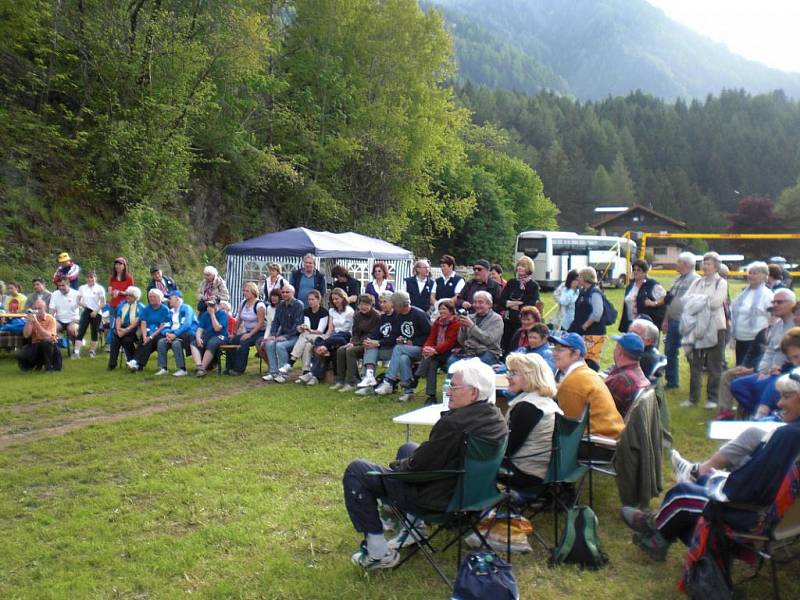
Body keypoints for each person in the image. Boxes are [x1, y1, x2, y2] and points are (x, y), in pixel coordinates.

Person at [342, 358, 508, 570]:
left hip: (440, 500)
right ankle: (415, 530)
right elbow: (427, 457)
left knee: (357, 470)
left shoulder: (454, 424)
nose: (448, 390)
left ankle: (377, 554)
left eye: (453, 386)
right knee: (409, 447)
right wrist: (408, 460)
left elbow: (417, 467)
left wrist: (396, 467)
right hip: (474, 492)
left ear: (473, 392)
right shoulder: (496, 417)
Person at [621, 368, 800, 561]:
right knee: (704, 478)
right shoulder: (791, 433)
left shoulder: (789, 436)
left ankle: (653, 528)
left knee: (682, 494)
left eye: (786, 397)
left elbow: (747, 487)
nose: (779, 403)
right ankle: (657, 536)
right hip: (786, 517)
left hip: (756, 516)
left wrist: (721, 483)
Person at [719, 294, 799, 419]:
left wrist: (770, 370)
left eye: (779, 302)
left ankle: (760, 416)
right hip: (769, 370)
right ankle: (752, 413)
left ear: (791, 304)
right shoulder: (772, 329)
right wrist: (761, 370)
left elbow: (788, 360)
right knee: (738, 384)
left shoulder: (792, 332)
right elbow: (764, 353)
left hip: (784, 375)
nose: (775, 306)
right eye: (773, 304)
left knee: (772, 384)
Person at [503, 353, 562, 494]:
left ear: (530, 376)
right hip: (544, 472)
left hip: (525, 475)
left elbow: (506, 449)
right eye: (509, 372)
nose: (508, 377)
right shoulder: (546, 401)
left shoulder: (527, 407)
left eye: (514, 373)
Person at [550, 331, 624, 444]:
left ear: (575, 354)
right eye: (554, 348)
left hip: (600, 444)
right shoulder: (585, 372)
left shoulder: (573, 382)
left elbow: (566, 430)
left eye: (560, 350)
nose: (554, 353)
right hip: (611, 437)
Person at [681, 252, 729, 409]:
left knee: (715, 364)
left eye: (708, 264)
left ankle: (712, 398)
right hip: (696, 327)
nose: (705, 266)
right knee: (695, 363)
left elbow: (716, 303)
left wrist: (697, 302)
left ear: (716, 266)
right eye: (704, 263)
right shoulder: (697, 282)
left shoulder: (721, 282)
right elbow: (685, 301)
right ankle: (693, 398)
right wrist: (702, 301)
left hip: (716, 328)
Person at [372, 291, 432, 401]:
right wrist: (400, 338)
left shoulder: (419, 314)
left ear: (400, 305)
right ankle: (408, 392)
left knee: (398, 349)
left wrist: (414, 342)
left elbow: (430, 335)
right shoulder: (399, 316)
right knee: (403, 359)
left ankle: (388, 381)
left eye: (394, 305)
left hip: (422, 349)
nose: (393, 307)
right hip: (408, 349)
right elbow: (397, 333)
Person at [300, 288, 355, 386]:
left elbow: (352, 330)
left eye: (337, 299)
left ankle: (313, 373)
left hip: (345, 336)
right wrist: (326, 336)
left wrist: (326, 341)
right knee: (319, 339)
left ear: (343, 298)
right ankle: (315, 376)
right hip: (333, 336)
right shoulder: (332, 311)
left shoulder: (350, 312)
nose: (335, 301)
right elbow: (330, 329)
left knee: (328, 342)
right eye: (333, 299)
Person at [662, 252, 700, 389]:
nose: (676, 264)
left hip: (687, 323)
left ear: (685, 264)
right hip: (673, 321)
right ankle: (672, 382)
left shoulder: (696, 281)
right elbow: (669, 301)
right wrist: (666, 320)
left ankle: (695, 385)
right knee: (670, 351)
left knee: (691, 354)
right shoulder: (677, 280)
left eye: (678, 262)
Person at [414, 299, 461, 404]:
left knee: (432, 358)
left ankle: (417, 375)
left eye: (444, 309)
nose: (441, 311)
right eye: (440, 309)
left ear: (451, 311)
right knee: (432, 363)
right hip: (437, 351)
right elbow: (431, 337)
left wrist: (434, 350)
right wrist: (426, 349)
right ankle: (431, 395)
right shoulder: (438, 322)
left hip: (451, 352)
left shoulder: (456, 323)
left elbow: (450, 342)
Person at [334, 294, 381, 392]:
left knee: (350, 351)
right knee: (341, 350)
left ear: (371, 304)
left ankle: (352, 382)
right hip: (358, 342)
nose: (363, 307)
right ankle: (340, 380)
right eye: (361, 304)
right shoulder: (357, 315)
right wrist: (352, 342)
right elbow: (355, 332)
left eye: (366, 304)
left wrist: (355, 344)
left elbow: (373, 334)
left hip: (370, 344)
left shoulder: (376, 316)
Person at [729, 261, 773, 367]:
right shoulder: (743, 293)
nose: (751, 275)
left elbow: (772, 318)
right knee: (740, 367)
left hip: (756, 340)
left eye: (755, 273)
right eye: (750, 273)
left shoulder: (768, 295)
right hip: (740, 338)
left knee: (751, 368)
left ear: (764, 276)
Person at [355, 293, 397, 395]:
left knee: (372, 347)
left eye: (384, 302)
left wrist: (378, 343)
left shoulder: (397, 316)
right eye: (380, 302)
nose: (382, 304)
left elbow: (394, 338)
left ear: (392, 303)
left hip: (394, 349)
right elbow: (375, 333)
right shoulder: (383, 317)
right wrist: (369, 340)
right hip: (383, 347)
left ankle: (370, 380)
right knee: (369, 347)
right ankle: (369, 380)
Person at [261, 284, 305, 383]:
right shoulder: (280, 305)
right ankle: (273, 372)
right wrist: (272, 334)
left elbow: (297, 325)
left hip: (296, 336)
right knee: (269, 344)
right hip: (282, 335)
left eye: (287, 292)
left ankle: (283, 374)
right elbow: (275, 322)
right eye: (283, 292)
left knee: (280, 346)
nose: (285, 294)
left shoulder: (298, 305)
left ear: (293, 293)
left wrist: (285, 336)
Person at [448, 290, 503, 368]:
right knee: (451, 361)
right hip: (469, 352)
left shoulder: (496, 319)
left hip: (488, 351)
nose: (477, 305)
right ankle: (451, 380)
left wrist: (471, 326)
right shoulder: (470, 317)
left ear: (489, 304)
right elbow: (461, 341)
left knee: (472, 367)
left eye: (480, 302)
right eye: (475, 302)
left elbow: (488, 339)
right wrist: (463, 328)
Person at [568, 266, 608, 371]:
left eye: (580, 277)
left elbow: (597, 313)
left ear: (585, 278)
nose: (578, 279)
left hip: (593, 333)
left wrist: (586, 324)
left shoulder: (594, 292)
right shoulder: (582, 292)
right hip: (581, 331)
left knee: (591, 361)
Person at [499, 256, 541, 354]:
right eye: (519, 266)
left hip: (521, 321)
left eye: (523, 266)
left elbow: (530, 303)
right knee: (505, 344)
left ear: (529, 268)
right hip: (507, 319)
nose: (520, 268)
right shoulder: (511, 282)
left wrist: (514, 305)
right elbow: (501, 300)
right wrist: (512, 303)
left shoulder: (533, 285)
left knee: (516, 345)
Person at [224, 282, 267, 375]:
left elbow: (261, 323)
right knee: (232, 341)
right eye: (244, 291)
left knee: (244, 342)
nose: (245, 293)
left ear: (253, 292)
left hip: (260, 332)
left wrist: (250, 334)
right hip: (248, 331)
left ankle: (239, 369)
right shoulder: (243, 303)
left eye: (247, 291)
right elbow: (239, 319)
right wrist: (234, 333)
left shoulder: (259, 306)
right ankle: (229, 367)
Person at [604, 333, 650, 418]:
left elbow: (601, 409)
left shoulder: (621, 380)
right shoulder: (639, 373)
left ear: (620, 351)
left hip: (608, 426)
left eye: (616, 346)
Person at [126, 288, 171, 371]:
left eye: (154, 296)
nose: (151, 298)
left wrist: (149, 337)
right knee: (142, 340)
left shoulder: (165, 310)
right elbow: (143, 323)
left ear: (160, 298)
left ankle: (136, 362)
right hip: (148, 331)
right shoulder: (146, 309)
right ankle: (137, 364)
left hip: (160, 333)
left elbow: (162, 326)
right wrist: (144, 336)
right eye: (150, 296)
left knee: (150, 341)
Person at [289, 289, 329, 381]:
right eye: (309, 299)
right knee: (307, 345)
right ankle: (306, 372)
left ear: (319, 300)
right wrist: (303, 327)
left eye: (312, 299)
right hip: (309, 337)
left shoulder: (324, 312)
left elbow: (320, 331)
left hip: (320, 337)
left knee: (305, 335)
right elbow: (307, 327)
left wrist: (309, 330)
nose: (310, 302)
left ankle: (291, 360)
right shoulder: (306, 311)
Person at [619, 259, 666, 333]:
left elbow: (665, 298)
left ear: (644, 272)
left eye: (638, 270)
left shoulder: (652, 284)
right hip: (631, 324)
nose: (635, 272)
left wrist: (654, 303)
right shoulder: (630, 286)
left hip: (647, 325)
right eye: (634, 270)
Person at [156, 290, 195, 377]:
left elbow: (186, 325)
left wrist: (175, 335)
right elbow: (165, 325)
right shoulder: (170, 311)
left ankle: (182, 369)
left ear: (177, 299)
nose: (168, 300)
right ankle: (163, 368)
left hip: (186, 335)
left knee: (176, 343)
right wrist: (167, 333)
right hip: (173, 335)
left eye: (170, 298)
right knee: (161, 342)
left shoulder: (186, 308)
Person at [17, 298, 59, 372]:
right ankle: (34, 365)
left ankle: (49, 367)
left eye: (40, 308)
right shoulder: (32, 318)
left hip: (50, 346)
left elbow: (50, 337)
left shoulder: (51, 319)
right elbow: (26, 335)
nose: (37, 310)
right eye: (35, 308)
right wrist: (28, 322)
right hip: (36, 345)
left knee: (46, 343)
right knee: (21, 354)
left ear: (45, 308)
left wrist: (36, 323)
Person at [107, 287, 144, 370]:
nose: (128, 297)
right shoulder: (122, 304)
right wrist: (118, 329)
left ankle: (132, 362)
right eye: (127, 295)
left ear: (136, 297)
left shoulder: (140, 307)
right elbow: (118, 317)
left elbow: (137, 321)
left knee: (126, 340)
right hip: (121, 327)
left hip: (134, 329)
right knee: (115, 339)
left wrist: (126, 330)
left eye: (130, 295)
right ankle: (112, 364)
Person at [191, 298, 229, 376]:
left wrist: (212, 314)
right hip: (208, 335)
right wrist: (198, 338)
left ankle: (202, 368)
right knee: (194, 343)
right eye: (209, 305)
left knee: (212, 343)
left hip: (221, 336)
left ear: (218, 305)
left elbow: (217, 328)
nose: (210, 307)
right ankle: (199, 366)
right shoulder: (205, 314)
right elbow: (199, 329)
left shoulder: (222, 314)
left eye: (212, 305)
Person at [75, 271, 106, 358]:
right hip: (86, 310)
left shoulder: (99, 288)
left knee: (94, 331)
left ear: (95, 278)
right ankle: (76, 352)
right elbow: (77, 300)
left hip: (96, 312)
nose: (89, 279)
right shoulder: (82, 288)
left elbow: (103, 302)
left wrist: (96, 311)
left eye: (91, 277)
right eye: (88, 277)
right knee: (81, 330)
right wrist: (82, 304)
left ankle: (92, 351)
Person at [49, 278, 81, 346]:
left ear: (68, 284)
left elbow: (83, 308)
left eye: (63, 285)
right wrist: (51, 320)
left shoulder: (76, 294)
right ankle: (54, 348)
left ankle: (76, 348)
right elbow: (52, 310)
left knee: (71, 330)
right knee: (52, 328)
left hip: (73, 320)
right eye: (59, 286)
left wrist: (78, 319)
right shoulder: (55, 294)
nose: (60, 288)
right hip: (59, 320)